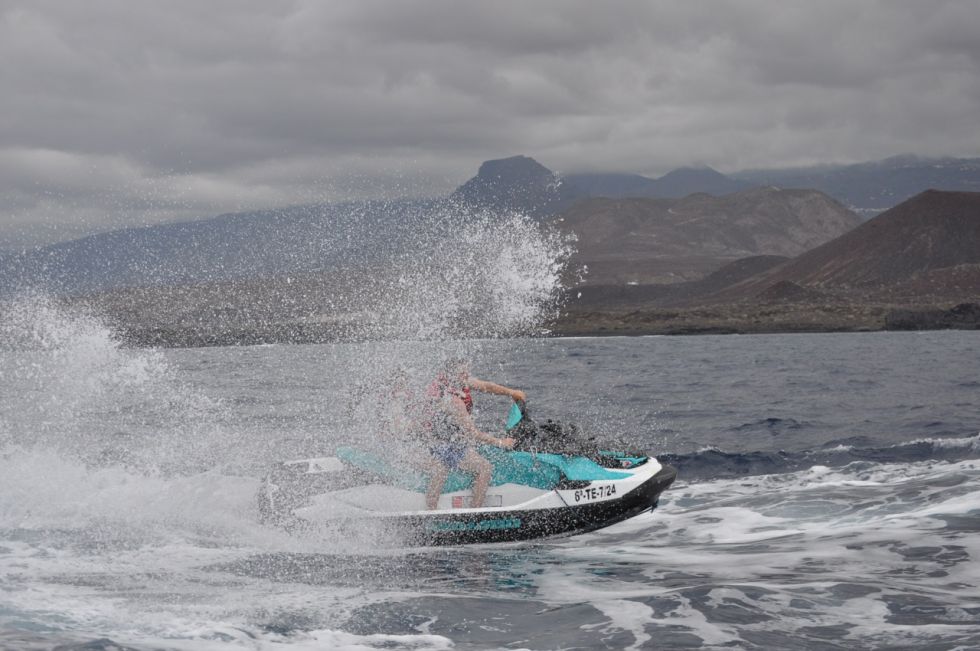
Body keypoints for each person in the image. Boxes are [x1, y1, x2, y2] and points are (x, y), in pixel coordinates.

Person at [424, 359, 525, 510]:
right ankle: (473, 512)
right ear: (454, 375)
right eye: (463, 373)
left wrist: (511, 392)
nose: (467, 376)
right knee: (485, 468)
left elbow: (485, 386)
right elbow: (473, 433)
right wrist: (500, 442)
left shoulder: (456, 383)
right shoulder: (454, 402)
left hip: (447, 442)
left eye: (466, 372)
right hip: (442, 448)